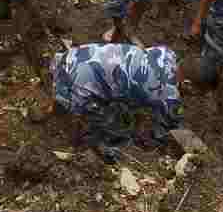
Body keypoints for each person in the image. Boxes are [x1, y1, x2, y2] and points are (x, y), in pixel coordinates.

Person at [44, 43, 184, 163]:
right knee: (121, 127)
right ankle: (97, 144)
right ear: (189, 83)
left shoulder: (167, 54)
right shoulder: (169, 96)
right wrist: (152, 139)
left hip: (73, 57)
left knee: (121, 101)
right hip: (79, 85)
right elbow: (168, 125)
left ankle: (57, 108)